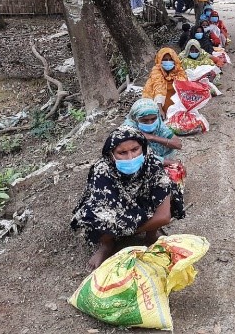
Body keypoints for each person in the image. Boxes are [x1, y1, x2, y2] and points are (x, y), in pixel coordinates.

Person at [70, 126, 184, 270]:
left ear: (143, 148)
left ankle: (150, 236)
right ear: (111, 154)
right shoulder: (102, 170)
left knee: (168, 190)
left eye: (135, 149)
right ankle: (107, 245)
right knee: (93, 215)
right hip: (117, 207)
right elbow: (101, 206)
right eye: (122, 153)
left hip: (138, 208)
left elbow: (164, 217)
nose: (131, 158)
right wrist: (120, 228)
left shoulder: (152, 164)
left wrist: (124, 230)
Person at [123, 99, 182, 164]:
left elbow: (178, 145)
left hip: (161, 161)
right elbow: (139, 158)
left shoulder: (159, 124)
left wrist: (153, 137)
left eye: (153, 119)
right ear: (135, 119)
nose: (150, 123)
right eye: (144, 120)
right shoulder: (129, 131)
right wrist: (170, 162)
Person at [142, 48, 187, 119]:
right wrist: (159, 109)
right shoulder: (156, 74)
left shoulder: (180, 73)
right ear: (160, 60)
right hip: (160, 110)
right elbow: (159, 89)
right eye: (165, 60)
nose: (168, 62)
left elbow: (185, 90)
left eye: (171, 59)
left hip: (178, 110)